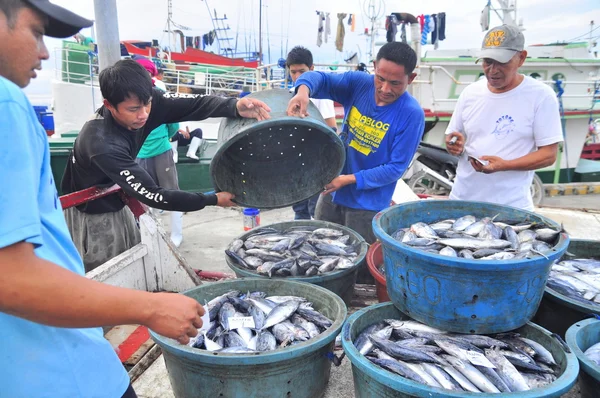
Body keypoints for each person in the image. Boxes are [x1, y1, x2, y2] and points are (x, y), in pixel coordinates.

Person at [0, 1, 207, 397]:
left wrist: (235, 104)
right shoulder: (7, 103)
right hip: (54, 370)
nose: (45, 52)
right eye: (37, 32)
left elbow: (196, 104)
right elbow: (10, 278)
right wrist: (150, 307)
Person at [61, 59, 271, 272]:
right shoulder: (102, 143)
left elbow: (194, 104)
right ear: (108, 105)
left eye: (147, 104)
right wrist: (212, 199)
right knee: (108, 272)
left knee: (134, 260)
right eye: (133, 109)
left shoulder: (148, 104)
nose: (143, 114)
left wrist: (234, 106)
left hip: (116, 194)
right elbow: (154, 195)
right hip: (91, 211)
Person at [287, 42, 424, 282]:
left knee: (356, 269)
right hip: (331, 193)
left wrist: (348, 180)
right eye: (380, 78)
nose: (384, 89)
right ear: (373, 68)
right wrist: (303, 90)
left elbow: (395, 168)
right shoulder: (359, 84)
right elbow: (318, 77)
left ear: (410, 78)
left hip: (367, 205)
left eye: (395, 83)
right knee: (318, 253)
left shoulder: (411, 114)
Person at [444, 24, 563, 211]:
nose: (492, 70)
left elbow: (548, 155)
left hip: (510, 209)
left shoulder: (541, 96)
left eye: (501, 62)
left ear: (521, 58)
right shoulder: (470, 92)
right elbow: (453, 135)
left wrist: (505, 165)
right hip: (461, 201)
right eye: (487, 61)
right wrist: (453, 143)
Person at [134, 58, 185, 247]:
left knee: (173, 194)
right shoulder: (130, 96)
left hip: (162, 152)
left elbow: (174, 126)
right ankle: (153, 234)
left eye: (146, 73)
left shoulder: (160, 95)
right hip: (140, 154)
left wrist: (164, 138)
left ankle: (177, 235)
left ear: (151, 74)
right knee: (144, 197)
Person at [286, 46, 338, 220]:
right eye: (293, 72)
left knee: (314, 208)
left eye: (302, 71)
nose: (298, 76)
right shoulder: (288, 95)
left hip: (316, 161)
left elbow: (332, 129)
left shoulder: (321, 97)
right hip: (295, 161)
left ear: (312, 69)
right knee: (299, 207)